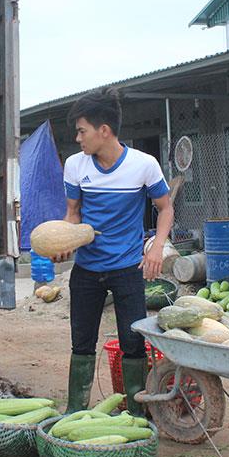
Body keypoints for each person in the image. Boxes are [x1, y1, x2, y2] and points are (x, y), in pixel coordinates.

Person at [54, 89, 174, 416]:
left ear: (103, 130)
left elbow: (165, 208)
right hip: (87, 270)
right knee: (81, 343)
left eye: (82, 131)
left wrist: (156, 247)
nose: (77, 138)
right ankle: (74, 412)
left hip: (128, 270)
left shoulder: (143, 165)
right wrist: (64, 239)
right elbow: (73, 212)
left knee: (132, 343)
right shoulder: (75, 165)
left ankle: (136, 414)